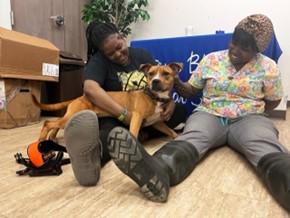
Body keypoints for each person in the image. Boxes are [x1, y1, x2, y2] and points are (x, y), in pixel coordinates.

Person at [107, 14, 290, 211]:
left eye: (244, 48)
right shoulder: (212, 60)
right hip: (209, 113)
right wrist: (174, 80)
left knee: (262, 141)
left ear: (257, 50)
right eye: (234, 43)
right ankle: (157, 172)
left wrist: (254, 111)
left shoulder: (267, 66)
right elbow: (190, 91)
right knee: (192, 137)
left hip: (249, 117)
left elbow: (274, 100)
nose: (235, 50)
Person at [63, 22, 187, 186]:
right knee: (110, 133)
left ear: (122, 37)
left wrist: (170, 102)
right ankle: (91, 159)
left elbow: (160, 77)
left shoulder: (141, 54)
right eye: (110, 53)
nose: (118, 54)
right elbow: (90, 89)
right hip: (114, 112)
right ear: (102, 53)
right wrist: (123, 114)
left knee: (180, 111)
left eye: (119, 47)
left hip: (148, 110)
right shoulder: (98, 62)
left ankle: (140, 135)